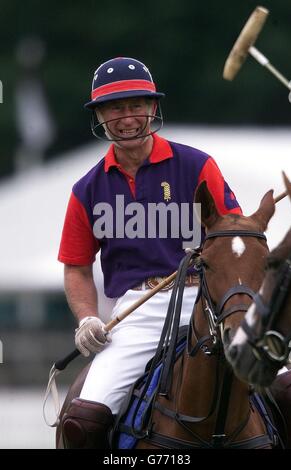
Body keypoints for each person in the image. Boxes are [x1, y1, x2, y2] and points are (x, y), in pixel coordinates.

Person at [57, 57, 242, 449]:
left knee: (287, 390)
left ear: (152, 108)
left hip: (210, 297)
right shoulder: (87, 189)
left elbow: (233, 238)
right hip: (138, 309)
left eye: (135, 105)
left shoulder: (197, 165)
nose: (126, 117)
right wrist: (88, 317)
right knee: (83, 419)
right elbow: (76, 267)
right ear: (100, 116)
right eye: (114, 107)